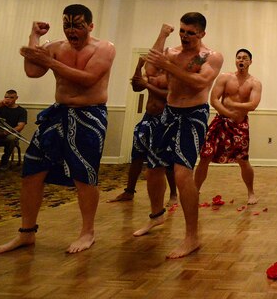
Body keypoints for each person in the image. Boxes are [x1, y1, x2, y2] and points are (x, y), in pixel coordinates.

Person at [0, 4, 116, 254]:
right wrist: (35, 37)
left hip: (90, 115)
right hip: (58, 114)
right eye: (67, 25)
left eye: (78, 25)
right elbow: (32, 71)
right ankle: (26, 232)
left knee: (84, 175)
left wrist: (48, 61)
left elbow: (87, 78)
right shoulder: (55, 48)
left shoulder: (104, 48)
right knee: (32, 171)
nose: (72, 30)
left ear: (90, 26)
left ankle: (87, 232)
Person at [132, 14, 222, 259]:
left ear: (202, 33)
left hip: (193, 114)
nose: (184, 36)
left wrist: (170, 66)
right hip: (168, 112)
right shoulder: (171, 51)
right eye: (182, 31)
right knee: (153, 168)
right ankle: (156, 215)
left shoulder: (210, 56)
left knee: (183, 174)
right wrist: (163, 34)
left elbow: (199, 81)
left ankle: (192, 237)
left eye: (190, 32)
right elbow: (150, 69)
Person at [193, 49, 262, 205]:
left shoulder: (254, 83)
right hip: (221, 121)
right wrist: (228, 113)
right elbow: (214, 100)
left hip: (240, 125)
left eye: (245, 58)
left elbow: (253, 104)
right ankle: (195, 189)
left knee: (243, 160)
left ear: (250, 62)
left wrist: (233, 104)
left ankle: (251, 192)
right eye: (238, 57)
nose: (241, 60)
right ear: (235, 60)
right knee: (205, 156)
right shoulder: (225, 77)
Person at [107, 57, 176, 204]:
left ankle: (173, 195)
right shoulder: (150, 75)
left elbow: (170, 95)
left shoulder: (172, 75)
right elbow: (136, 86)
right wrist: (139, 66)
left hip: (165, 120)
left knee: (167, 158)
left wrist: (147, 85)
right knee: (137, 154)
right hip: (148, 118)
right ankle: (129, 191)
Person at [0, 89, 28, 169]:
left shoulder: (21, 111)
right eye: (6, 97)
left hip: (10, 134)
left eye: (11, 97)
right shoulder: (0, 108)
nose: (8, 99)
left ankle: (4, 162)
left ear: (16, 98)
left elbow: (20, 126)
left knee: (12, 138)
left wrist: (7, 132)